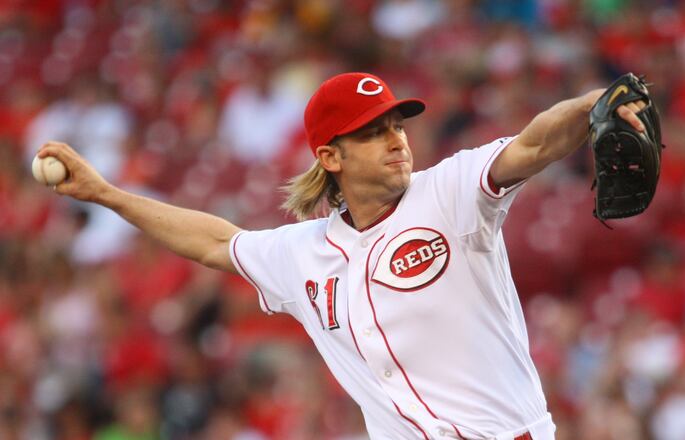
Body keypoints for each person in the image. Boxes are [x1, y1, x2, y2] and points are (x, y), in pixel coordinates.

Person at [37, 72, 647, 440]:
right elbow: (214, 241)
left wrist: (595, 102)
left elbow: (537, 141)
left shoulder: (453, 192)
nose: (395, 140)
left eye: (397, 125)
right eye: (372, 131)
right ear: (331, 157)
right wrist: (106, 194)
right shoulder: (302, 253)